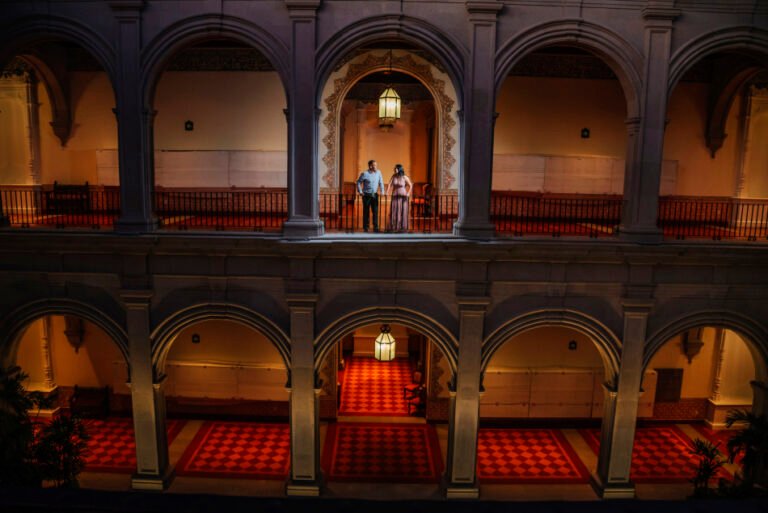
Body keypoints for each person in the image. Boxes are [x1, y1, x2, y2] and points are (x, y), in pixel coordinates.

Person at [356, 159, 385, 232]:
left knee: (375, 211)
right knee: (366, 212)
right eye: (374, 165)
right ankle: (366, 227)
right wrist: (360, 191)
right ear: (370, 166)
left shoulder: (379, 172)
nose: (376, 166)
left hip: (374, 195)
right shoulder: (365, 174)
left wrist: (382, 191)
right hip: (366, 195)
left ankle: (376, 227)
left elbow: (381, 182)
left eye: (376, 165)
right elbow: (358, 182)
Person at [387, 164, 412, 232]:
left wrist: (408, 193)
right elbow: (389, 184)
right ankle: (394, 226)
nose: (394, 170)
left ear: (399, 169)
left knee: (402, 211)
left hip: (403, 196)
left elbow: (410, 185)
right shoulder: (393, 176)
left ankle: (402, 227)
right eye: (394, 169)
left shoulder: (404, 177)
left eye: (396, 169)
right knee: (394, 210)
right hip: (395, 195)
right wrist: (387, 192)